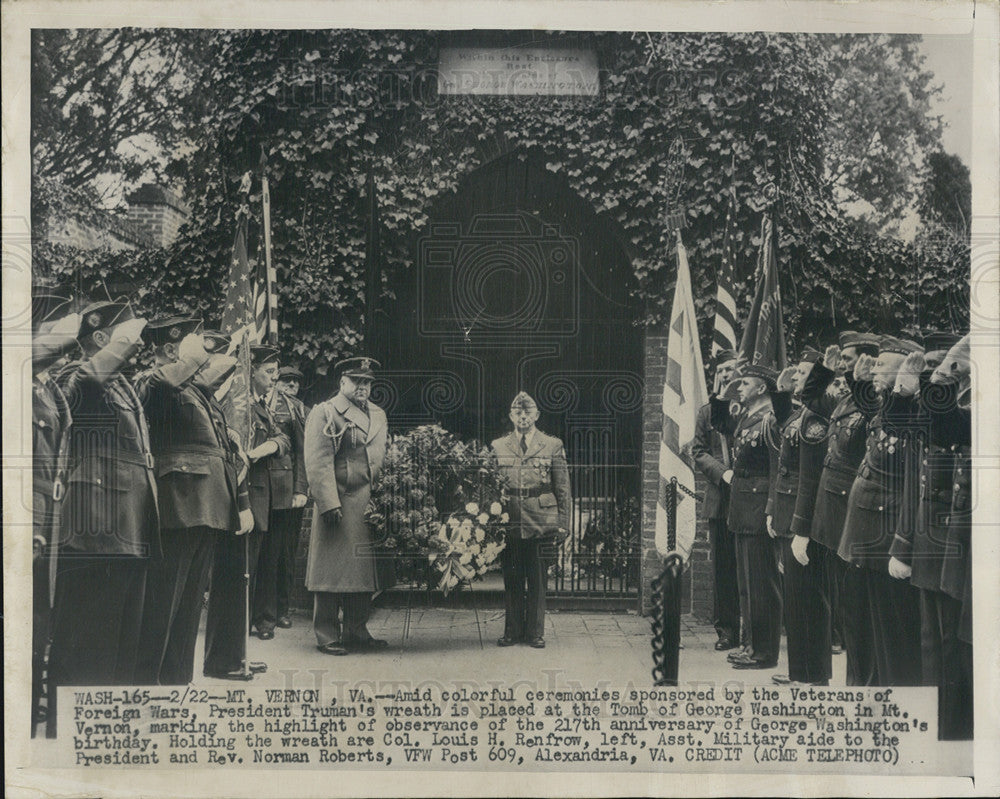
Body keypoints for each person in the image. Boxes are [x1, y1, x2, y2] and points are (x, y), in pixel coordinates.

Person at [48, 300, 157, 730]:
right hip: (95, 523)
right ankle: (74, 728)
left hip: (126, 521)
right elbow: (88, 378)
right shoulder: (79, 375)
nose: (136, 344)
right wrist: (127, 335)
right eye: (124, 336)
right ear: (99, 339)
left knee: (117, 633)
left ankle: (108, 723)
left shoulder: (124, 385)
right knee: (86, 633)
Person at [134, 317, 254, 684]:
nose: (203, 354)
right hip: (180, 503)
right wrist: (194, 355)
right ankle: (148, 680)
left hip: (206, 504)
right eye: (194, 345)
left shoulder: (194, 390)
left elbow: (211, 374)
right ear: (171, 351)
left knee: (187, 604)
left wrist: (232, 348)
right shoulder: (155, 381)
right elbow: (171, 378)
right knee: (165, 601)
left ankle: (176, 681)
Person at [889, 332, 972, 738]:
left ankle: (952, 725)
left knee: (950, 639)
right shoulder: (941, 409)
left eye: (944, 367)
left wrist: (933, 383)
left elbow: (946, 427)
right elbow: (900, 425)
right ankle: (936, 719)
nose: (935, 375)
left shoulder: (966, 410)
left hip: (953, 537)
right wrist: (904, 393)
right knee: (931, 637)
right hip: (930, 535)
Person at [838, 335, 925, 686]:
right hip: (862, 533)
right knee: (858, 623)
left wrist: (903, 545)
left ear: (903, 371)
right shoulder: (886, 408)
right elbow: (868, 407)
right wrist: (855, 380)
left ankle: (887, 696)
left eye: (880, 366)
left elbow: (912, 483)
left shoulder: (912, 415)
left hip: (886, 534)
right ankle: (862, 688)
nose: (873, 369)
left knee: (891, 631)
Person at [799, 331, 879, 683]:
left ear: (867, 361)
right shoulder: (843, 399)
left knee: (853, 604)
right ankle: (852, 677)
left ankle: (859, 678)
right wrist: (824, 369)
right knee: (841, 598)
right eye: (843, 360)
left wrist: (859, 381)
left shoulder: (870, 399)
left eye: (848, 359)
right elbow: (810, 398)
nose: (843, 365)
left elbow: (873, 417)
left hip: (851, 507)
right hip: (830, 507)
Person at [304, 356, 389, 655]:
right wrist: (327, 503)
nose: (363, 387)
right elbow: (317, 461)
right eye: (357, 381)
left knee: (361, 572)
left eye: (367, 382)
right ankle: (326, 634)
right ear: (343, 382)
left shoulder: (378, 414)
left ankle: (356, 630)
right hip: (339, 501)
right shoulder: (326, 412)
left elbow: (381, 457)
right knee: (331, 572)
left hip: (368, 504)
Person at [711, 363, 791, 670]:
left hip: (759, 509)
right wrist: (721, 391)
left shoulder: (770, 419)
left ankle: (764, 651)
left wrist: (773, 508)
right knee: (747, 583)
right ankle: (751, 644)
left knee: (762, 584)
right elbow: (720, 421)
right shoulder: (746, 417)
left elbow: (776, 466)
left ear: (760, 388)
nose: (738, 388)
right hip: (743, 507)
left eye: (743, 383)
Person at [197, 330, 264, 680]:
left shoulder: (215, 403)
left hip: (228, 500)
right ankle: (221, 661)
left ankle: (234, 654)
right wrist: (239, 503)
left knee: (236, 578)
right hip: (217, 503)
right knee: (225, 581)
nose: (227, 376)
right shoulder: (206, 400)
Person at [30, 293, 79, 735]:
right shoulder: (18, 378)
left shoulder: (48, 387)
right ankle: (24, 701)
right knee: (26, 610)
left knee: (43, 611)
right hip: (29, 511)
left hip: (53, 512)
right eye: (57, 328)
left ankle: (35, 693)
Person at [769, 347, 831, 686]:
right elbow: (784, 424)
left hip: (804, 518)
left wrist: (801, 529)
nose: (799, 379)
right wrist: (781, 391)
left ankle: (815, 673)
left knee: (810, 598)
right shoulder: (802, 415)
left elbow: (809, 477)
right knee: (796, 598)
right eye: (799, 374)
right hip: (791, 516)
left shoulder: (815, 420)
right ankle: (800, 670)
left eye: (805, 375)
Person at [491, 391, 572, 649]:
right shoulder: (498, 446)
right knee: (512, 578)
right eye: (518, 412)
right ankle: (512, 631)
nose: (523, 417)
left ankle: (535, 632)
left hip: (541, 520)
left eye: (528, 412)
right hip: (511, 520)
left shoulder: (552, 444)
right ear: (511, 416)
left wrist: (564, 523)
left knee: (537, 580)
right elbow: (491, 487)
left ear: (537, 415)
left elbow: (562, 488)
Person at [690, 350, 740, 652]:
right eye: (721, 370)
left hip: (751, 499)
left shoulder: (750, 408)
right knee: (723, 569)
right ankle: (727, 630)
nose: (725, 374)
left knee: (751, 568)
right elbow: (698, 451)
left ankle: (754, 630)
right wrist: (723, 474)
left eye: (731, 369)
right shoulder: (706, 412)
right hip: (721, 499)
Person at [246, 346, 291, 640]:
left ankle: (265, 619)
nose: (274, 378)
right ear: (251, 371)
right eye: (268, 372)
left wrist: (271, 446)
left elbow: (283, 436)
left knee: (266, 561)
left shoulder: (264, 405)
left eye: (275, 372)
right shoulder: (240, 405)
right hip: (249, 493)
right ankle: (244, 619)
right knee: (248, 560)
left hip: (270, 494)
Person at [265, 365, 309, 630]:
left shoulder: (299, 410)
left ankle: (281, 609)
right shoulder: (257, 403)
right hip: (262, 490)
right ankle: (259, 612)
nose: (292, 385)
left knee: (285, 554)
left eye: (296, 381)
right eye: (286, 380)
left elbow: (303, 452)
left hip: (289, 492)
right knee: (263, 554)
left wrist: (300, 489)